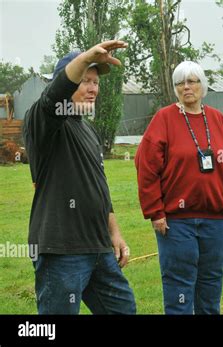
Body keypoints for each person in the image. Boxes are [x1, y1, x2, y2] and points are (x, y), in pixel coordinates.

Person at [23, 40, 136, 314]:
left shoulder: (88, 130)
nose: (93, 88)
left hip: (98, 247)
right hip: (62, 249)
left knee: (123, 309)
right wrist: (86, 57)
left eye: (96, 82)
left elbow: (99, 185)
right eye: (84, 80)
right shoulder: (43, 120)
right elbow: (54, 96)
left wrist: (115, 233)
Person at [135, 61, 223, 315]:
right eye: (180, 82)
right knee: (179, 289)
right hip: (177, 223)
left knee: (210, 288)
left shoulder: (217, 119)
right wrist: (156, 211)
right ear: (175, 88)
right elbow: (146, 167)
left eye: (192, 81)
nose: (187, 87)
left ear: (202, 85)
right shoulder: (164, 119)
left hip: (215, 222)